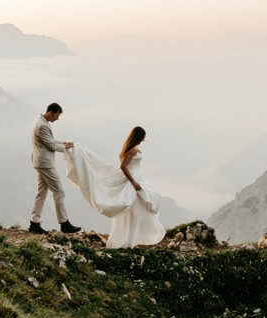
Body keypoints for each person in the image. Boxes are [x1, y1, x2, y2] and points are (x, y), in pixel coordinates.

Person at [61, 125, 166, 248]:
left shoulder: (134, 149)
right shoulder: (131, 150)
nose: (144, 139)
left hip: (139, 177)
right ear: (138, 137)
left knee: (138, 208)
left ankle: (135, 237)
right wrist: (133, 182)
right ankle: (130, 238)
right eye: (143, 137)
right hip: (133, 180)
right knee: (132, 209)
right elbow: (123, 166)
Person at [28, 103, 81, 234]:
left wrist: (63, 143)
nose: (57, 118)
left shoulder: (40, 122)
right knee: (59, 192)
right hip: (45, 164)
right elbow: (51, 145)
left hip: (40, 162)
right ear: (51, 112)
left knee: (41, 193)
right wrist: (66, 148)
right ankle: (64, 223)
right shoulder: (42, 126)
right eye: (57, 115)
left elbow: (49, 140)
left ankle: (34, 223)